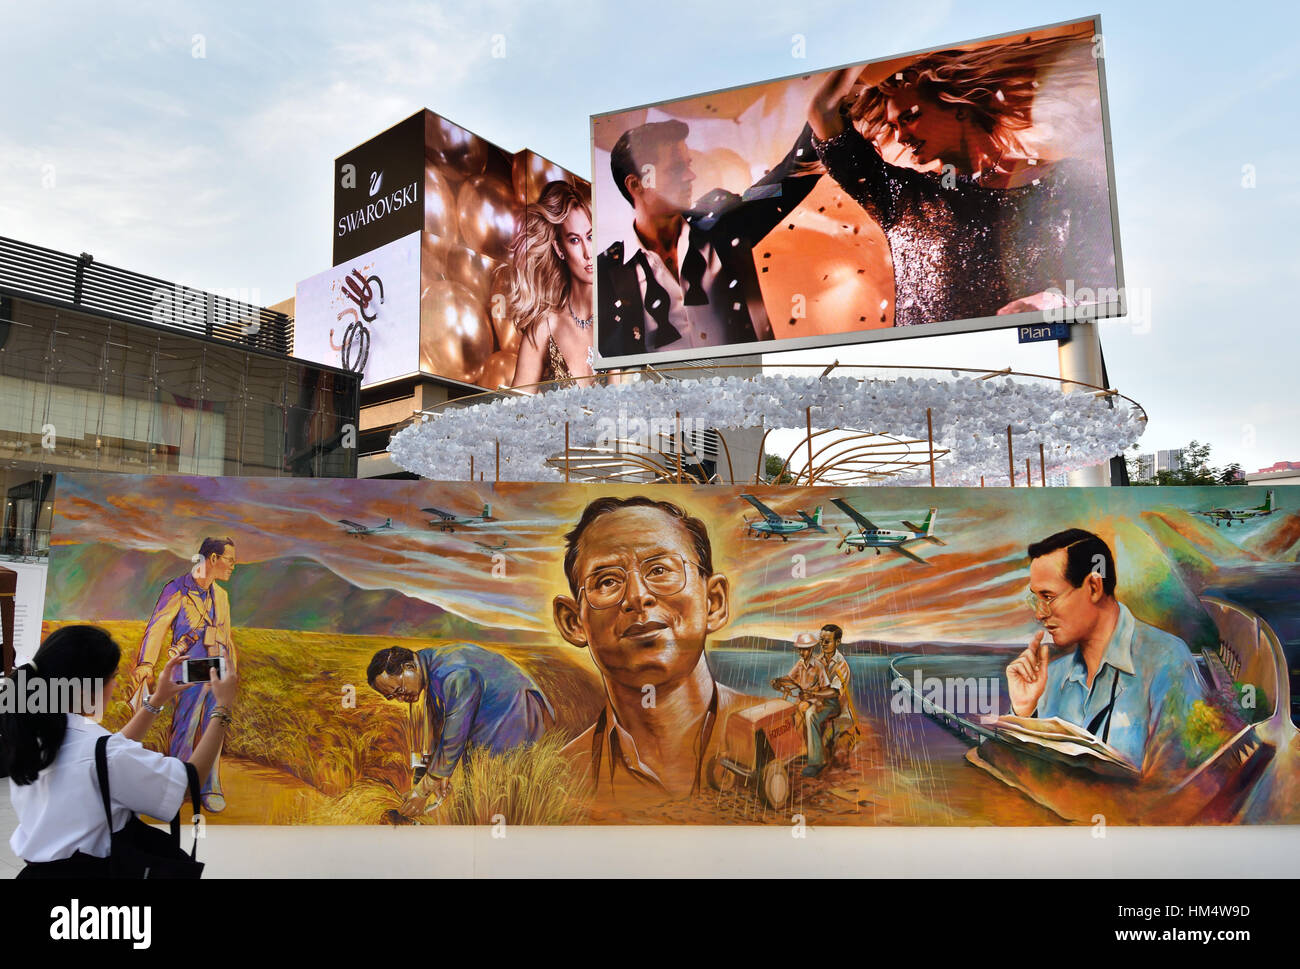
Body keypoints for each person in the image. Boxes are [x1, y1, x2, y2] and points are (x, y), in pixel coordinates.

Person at [806, 34, 1116, 327]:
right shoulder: (902, 196)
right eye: (894, 125)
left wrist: (1049, 303)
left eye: (910, 117)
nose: (901, 137)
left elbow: (1102, 287)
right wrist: (865, 44)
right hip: (921, 367)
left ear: (956, 106)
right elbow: (822, 109)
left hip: (1024, 358)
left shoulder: (1067, 183)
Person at [552, 496, 762, 803]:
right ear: (574, 622)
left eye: (660, 570)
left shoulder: (782, 728)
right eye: (607, 580)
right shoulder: (559, 778)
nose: (637, 597)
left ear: (713, 603)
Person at [2, 624, 237, 878]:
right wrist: (221, 708)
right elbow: (186, 784)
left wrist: (157, 700)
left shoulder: (31, 731)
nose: (114, 686)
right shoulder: (97, 749)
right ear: (88, 687)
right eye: (113, 677)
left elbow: (103, 760)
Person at [597, 119, 822, 358]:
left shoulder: (719, 217)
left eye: (688, 164)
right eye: (675, 169)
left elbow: (785, 181)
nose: (690, 176)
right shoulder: (605, 273)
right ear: (636, 184)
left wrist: (824, 121)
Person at [1005, 529, 1208, 772]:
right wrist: (1023, 712)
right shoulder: (1051, 678)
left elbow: (1180, 785)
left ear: (1093, 586)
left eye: (1048, 596)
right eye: (1035, 599)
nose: (1039, 613)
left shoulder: (1167, 661)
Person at [367, 643, 554, 816]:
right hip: (501, 716)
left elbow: (454, 735)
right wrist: (439, 776)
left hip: (515, 714)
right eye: (392, 697)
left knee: (504, 795)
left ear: (409, 667)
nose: (400, 699)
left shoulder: (452, 674)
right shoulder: (430, 666)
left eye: (399, 690)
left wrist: (425, 788)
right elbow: (443, 729)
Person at [128, 536, 238, 812]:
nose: (233, 566)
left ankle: (210, 785)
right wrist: (146, 663)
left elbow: (227, 636)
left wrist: (232, 670)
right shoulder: (177, 588)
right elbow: (157, 627)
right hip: (188, 669)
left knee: (215, 725)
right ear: (212, 559)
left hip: (218, 670)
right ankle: (179, 785)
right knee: (186, 728)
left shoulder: (222, 596)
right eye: (230, 560)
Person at [508, 180, 596, 390]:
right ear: (559, 249)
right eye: (575, 240)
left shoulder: (620, 318)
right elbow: (513, 412)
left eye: (591, 236)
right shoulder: (545, 326)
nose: (588, 253)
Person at [771, 633, 839, 777]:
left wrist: (813, 695)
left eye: (805, 649)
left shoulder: (819, 666)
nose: (802, 652)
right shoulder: (800, 664)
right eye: (800, 649)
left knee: (810, 715)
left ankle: (817, 762)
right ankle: (798, 750)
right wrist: (778, 681)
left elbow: (829, 690)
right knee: (792, 711)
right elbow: (790, 678)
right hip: (810, 700)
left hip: (825, 702)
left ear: (812, 649)